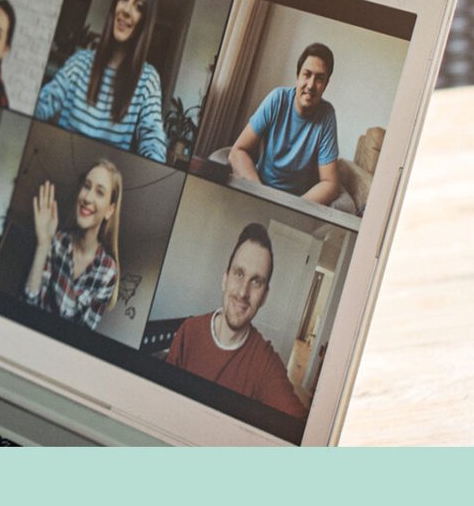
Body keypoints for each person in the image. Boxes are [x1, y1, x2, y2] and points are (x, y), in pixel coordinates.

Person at [159, 224, 308, 419]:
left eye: (256, 282)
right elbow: (161, 400)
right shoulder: (189, 331)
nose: (242, 292)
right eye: (239, 274)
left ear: (264, 296)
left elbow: (301, 431)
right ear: (225, 279)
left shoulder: (265, 363)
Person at [33, 0, 168, 161]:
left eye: (138, 6)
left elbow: (152, 137)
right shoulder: (80, 62)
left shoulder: (148, 79)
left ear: (145, 20)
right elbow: (44, 101)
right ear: (115, 4)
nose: (126, 10)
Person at [230, 43, 343, 205]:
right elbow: (238, 151)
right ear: (298, 76)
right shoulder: (277, 99)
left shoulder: (327, 115)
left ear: (325, 85)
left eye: (319, 78)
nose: (311, 85)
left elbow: (330, 184)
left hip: (296, 200)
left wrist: (293, 207)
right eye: (307, 75)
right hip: (260, 188)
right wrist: (259, 195)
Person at [20, 158, 123, 330]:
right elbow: (28, 307)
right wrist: (43, 244)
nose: (88, 197)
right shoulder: (57, 241)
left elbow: (81, 335)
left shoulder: (108, 271)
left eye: (99, 192)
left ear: (110, 210)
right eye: (87, 186)